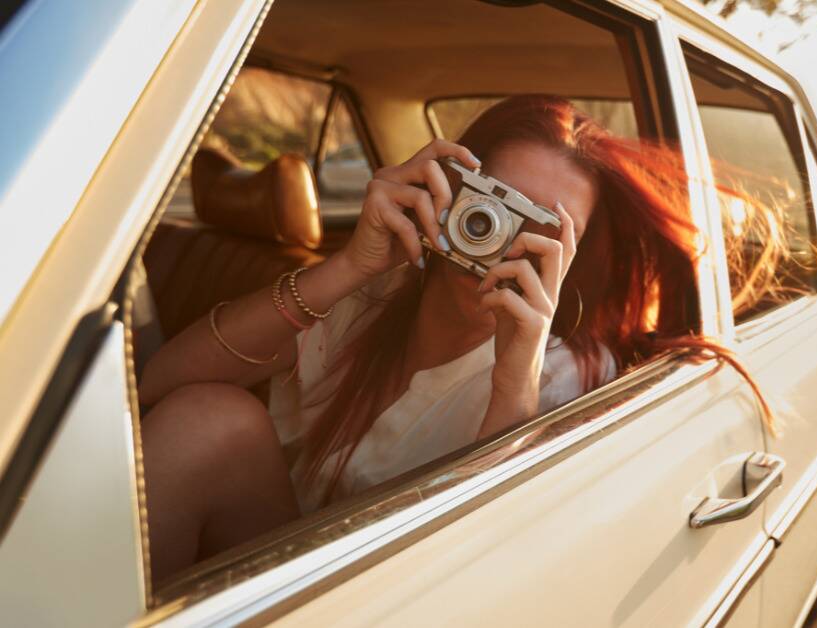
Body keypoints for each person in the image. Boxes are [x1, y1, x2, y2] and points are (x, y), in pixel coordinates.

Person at [137, 95, 783, 584]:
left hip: (390, 599)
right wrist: (348, 267)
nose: (499, 236)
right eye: (493, 202)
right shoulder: (374, 291)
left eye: (540, 230)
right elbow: (161, 385)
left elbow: (484, 579)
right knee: (206, 420)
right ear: (448, 190)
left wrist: (514, 373)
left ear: (573, 263)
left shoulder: (567, 377)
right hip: (270, 565)